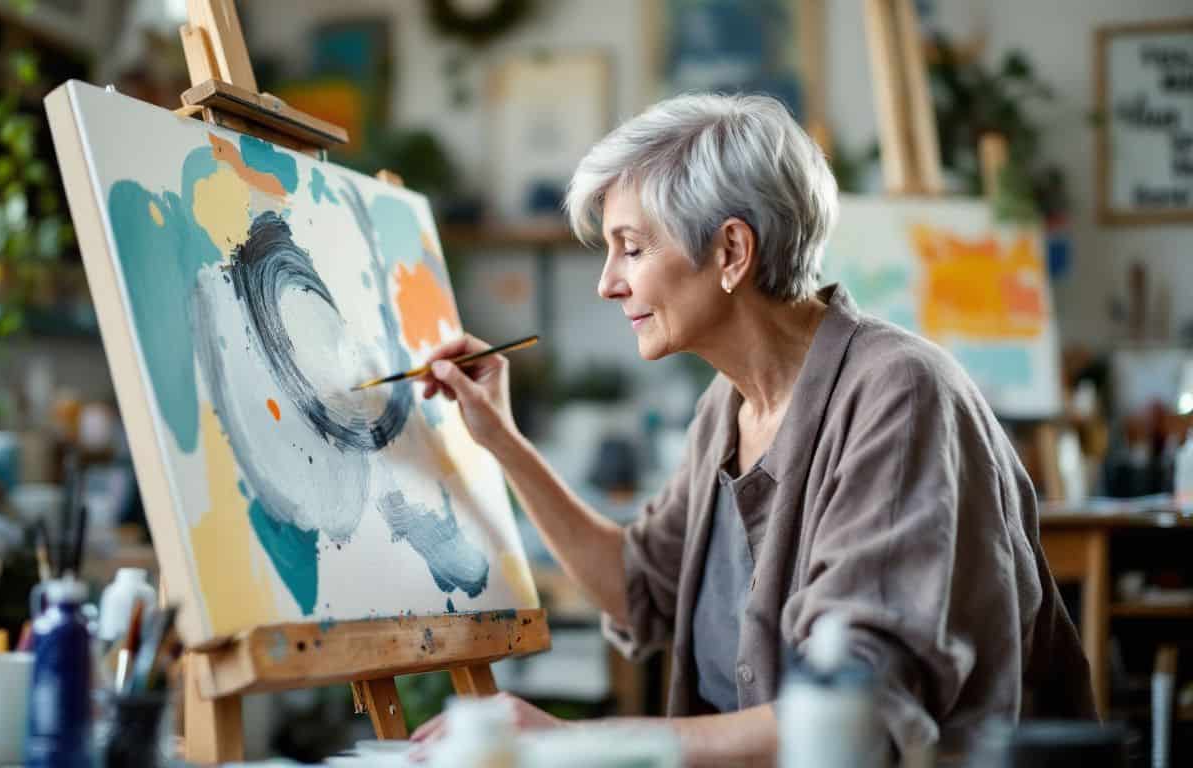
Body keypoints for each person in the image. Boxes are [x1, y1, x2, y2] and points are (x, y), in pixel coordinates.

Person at [411, 93, 1095, 765]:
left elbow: (856, 714)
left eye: (631, 248)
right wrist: (499, 437)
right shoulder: (725, 406)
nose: (607, 284)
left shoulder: (902, 394)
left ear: (732, 251)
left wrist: (579, 741)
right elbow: (639, 588)